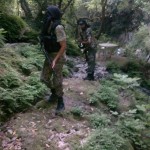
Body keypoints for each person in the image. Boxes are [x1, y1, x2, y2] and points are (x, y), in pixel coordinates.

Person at [40, 5, 66, 115]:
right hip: (50, 55)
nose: (46, 15)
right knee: (44, 78)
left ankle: (61, 101)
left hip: (58, 56)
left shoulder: (58, 27)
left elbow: (64, 46)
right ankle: (54, 93)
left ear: (52, 15)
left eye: (48, 13)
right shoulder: (47, 25)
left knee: (57, 80)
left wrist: (55, 60)